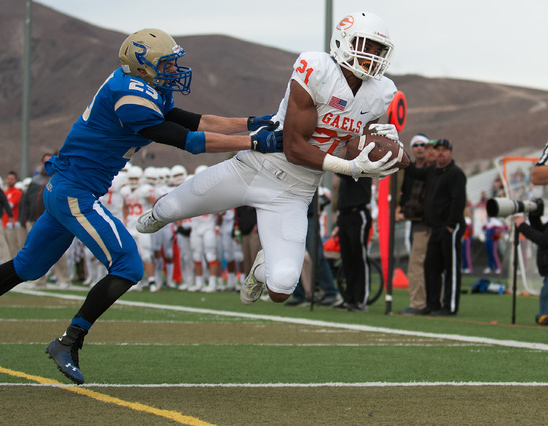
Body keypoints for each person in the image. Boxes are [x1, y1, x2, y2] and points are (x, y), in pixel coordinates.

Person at [0, 28, 283, 385]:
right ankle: (69, 341)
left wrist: (250, 124)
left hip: (66, 188)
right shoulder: (130, 98)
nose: (172, 70)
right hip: (76, 192)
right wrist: (255, 143)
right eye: (165, 64)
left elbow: (194, 120)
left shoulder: (140, 86)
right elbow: (189, 141)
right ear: (143, 66)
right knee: (129, 265)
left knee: (28, 266)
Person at [137, 12, 401, 306]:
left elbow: (351, 147)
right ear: (343, 41)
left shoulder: (380, 93)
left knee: (282, 288)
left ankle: (262, 269)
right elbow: (295, 148)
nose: (372, 55)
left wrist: (376, 146)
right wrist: (349, 167)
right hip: (254, 167)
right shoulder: (317, 70)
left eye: (378, 50)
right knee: (167, 209)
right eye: (366, 45)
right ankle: (159, 215)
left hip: (294, 192)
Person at [410, 139, 466, 316]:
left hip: (450, 226)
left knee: (451, 268)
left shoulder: (456, 174)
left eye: (444, 150)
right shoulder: (433, 172)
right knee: (430, 266)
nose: (441, 153)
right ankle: (432, 304)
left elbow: (459, 200)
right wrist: (396, 153)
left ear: (450, 152)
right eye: (438, 149)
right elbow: (413, 171)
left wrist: (451, 224)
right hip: (434, 227)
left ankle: (449, 306)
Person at [19, 153, 73, 288]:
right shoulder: (35, 180)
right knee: (35, 251)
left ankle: (64, 279)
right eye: (44, 162)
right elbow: (26, 201)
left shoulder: (59, 178)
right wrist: (24, 218)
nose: (46, 164)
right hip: (34, 220)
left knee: (57, 250)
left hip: (54, 221)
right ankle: (39, 280)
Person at [396, 133, 431, 315]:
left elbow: (418, 174)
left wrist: (401, 159)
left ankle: (419, 304)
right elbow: (405, 192)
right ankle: (423, 301)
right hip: (414, 221)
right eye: (416, 145)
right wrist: (401, 209)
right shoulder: (411, 172)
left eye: (422, 145)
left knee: (418, 264)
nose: (419, 148)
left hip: (426, 223)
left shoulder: (430, 169)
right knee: (418, 262)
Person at [333, 175, 373, 311]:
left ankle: (361, 299)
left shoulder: (361, 162)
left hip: (358, 214)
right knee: (347, 259)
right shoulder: (347, 162)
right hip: (345, 215)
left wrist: (329, 160)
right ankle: (349, 298)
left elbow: (345, 172)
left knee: (359, 258)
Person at [2, 171, 24, 257]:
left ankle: (13, 266)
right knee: (5, 247)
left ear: (15, 180)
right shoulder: (5, 192)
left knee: (13, 247)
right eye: (9, 179)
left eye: (12, 179)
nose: (10, 180)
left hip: (12, 223)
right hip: (4, 222)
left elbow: (9, 206)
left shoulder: (17, 192)